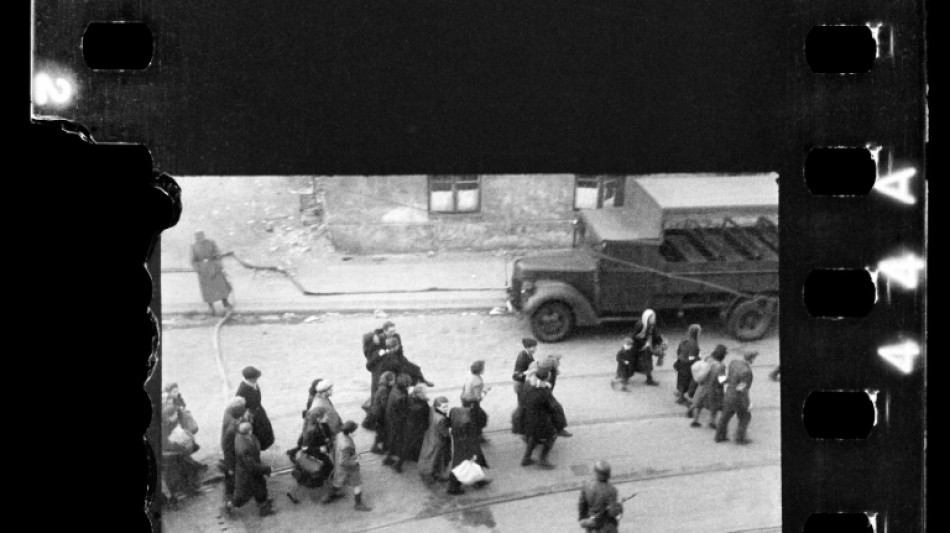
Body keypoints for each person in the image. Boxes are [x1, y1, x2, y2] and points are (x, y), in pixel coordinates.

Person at [520, 366, 567, 469]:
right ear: (546, 378)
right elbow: (551, 407)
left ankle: (526, 458)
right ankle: (543, 459)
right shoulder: (544, 392)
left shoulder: (528, 385)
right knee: (552, 436)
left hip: (528, 417)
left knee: (533, 437)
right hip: (540, 420)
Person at [286, 405, 334, 504]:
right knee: (323, 473)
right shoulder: (312, 431)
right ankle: (327, 495)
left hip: (317, 456)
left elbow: (328, 434)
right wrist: (320, 449)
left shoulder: (322, 425)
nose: (327, 417)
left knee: (309, 476)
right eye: (325, 416)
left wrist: (328, 440)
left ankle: (293, 491)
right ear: (318, 418)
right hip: (314, 457)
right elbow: (305, 448)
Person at [225, 422, 275, 517]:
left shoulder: (242, 437)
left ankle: (263, 507)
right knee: (242, 496)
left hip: (250, 473)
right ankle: (229, 505)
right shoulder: (244, 448)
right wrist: (267, 469)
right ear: (249, 431)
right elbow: (252, 466)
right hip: (247, 475)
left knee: (261, 488)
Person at [323, 421, 373, 511]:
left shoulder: (340, 435)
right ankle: (358, 504)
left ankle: (328, 497)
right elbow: (344, 461)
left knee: (338, 482)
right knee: (357, 485)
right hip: (349, 468)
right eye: (355, 430)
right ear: (351, 432)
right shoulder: (347, 445)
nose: (357, 432)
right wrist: (356, 460)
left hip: (339, 467)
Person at [161, 404, 202, 506]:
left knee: (183, 470)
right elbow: (166, 443)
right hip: (169, 456)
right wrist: (180, 446)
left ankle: (187, 489)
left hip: (175, 453)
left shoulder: (171, 423)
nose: (176, 414)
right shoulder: (164, 427)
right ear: (169, 416)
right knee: (174, 476)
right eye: (174, 413)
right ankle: (174, 498)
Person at [715, 351, 759, 444]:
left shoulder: (733, 363)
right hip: (737, 398)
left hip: (728, 394)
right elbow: (742, 389)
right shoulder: (746, 372)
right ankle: (740, 438)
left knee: (725, 416)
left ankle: (719, 436)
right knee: (745, 417)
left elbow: (730, 377)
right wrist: (748, 403)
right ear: (751, 359)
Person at [447, 404, 491, 495]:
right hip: (467, 448)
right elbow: (468, 441)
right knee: (461, 467)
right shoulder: (468, 424)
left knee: (468, 464)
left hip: (461, 444)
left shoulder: (458, 412)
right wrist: (471, 454)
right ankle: (453, 487)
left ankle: (478, 480)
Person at [378, 322, 435, 387]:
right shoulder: (381, 339)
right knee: (405, 371)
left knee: (415, 368)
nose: (393, 333)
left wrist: (403, 360)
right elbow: (382, 353)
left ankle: (422, 380)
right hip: (389, 362)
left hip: (399, 358)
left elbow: (400, 349)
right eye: (391, 331)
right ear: (385, 331)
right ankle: (414, 384)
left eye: (394, 331)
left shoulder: (396, 336)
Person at [190, 230, 233, 315]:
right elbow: (192, 260)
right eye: (197, 237)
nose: (199, 238)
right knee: (207, 290)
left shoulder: (211, 243)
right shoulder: (193, 246)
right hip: (203, 270)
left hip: (214, 267)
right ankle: (211, 307)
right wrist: (198, 269)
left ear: (204, 236)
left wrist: (218, 265)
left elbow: (218, 254)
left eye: (200, 236)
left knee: (220, 285)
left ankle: (225, 303)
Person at [235, 367, 275, 450]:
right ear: (250, 378)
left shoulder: (254, 384)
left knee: (266, 429)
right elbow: (239, 407)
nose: (257, 379)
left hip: (258, 411)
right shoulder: (242, 390)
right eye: (255, 377)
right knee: (256, 433)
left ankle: (261, 446)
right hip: (251, 416)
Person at [393, 384, 431, 473]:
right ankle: (399, 464)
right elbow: (426, 417)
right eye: (425, 392)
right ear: (420, 394)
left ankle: (409, 459)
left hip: (409, 425)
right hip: (417, 427)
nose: (426, 393)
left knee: (409, 444)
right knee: (409, 445)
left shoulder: (411, 398)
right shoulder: (423, 405)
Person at [578, 460, 623, 533]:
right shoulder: (611, 490)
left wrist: (582, 519)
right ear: (608, 475)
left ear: (595, 472)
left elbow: (582, 505)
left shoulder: (586, 485)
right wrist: (619, 507)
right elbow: (612, 512)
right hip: (604, 526)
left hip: (590, 523)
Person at [689, 345, 729, 428]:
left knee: (699, 403)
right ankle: (712, 422)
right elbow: (721, 380)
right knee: (715, 406)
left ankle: (695, 420)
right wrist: (728, 380)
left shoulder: (708, 359)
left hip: (703, 386)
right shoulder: (720, 366)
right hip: (714, 389)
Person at [219, 397, 247, 511]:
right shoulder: (233, 427)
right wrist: (230, 466)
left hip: (230, 449)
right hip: (231, 452)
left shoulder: (228, 412)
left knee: (232, 472)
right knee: (232, 472)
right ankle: (230, 494)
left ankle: (230, 490)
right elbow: (228, 448)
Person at [286, 378, 324, 462]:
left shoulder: (313, 395)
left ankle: (294, 452)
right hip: (314, 423)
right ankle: (298, 457)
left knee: (306, 440)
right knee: (310, 442)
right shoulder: (315, 399)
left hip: (310, 422)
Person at [418, 396, 452, 484]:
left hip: (430, 436)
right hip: (438, 442)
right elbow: (445, 433)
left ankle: (433, 473)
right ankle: (434, 475)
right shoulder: (441, 419)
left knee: (430, 456)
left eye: (447, 406)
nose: (446, 409)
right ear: (437, 406)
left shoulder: (432, 409)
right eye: (444, 407)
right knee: (436, 458)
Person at [630, 309, 666, 386]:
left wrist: (661, 341)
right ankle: (624, 377)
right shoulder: (641, 325)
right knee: (635, 363)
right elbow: (634, 337)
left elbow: (656, 335)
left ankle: (649, 378)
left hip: (647, 347)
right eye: (652, 317)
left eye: (653, 317)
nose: (653, 319)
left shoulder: (651, 325)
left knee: (647, 363)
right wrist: (644, 343)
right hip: (640, 347)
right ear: (647, 318)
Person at [383, 373, 412, 467]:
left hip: (392, 418)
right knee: (401, 440)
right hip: (398, 421)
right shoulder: (401, 397)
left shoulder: (395, 389)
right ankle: (398, 463)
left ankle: (389, 458)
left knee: (393, 438)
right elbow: (407, 409)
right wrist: (410, 395)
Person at [461, 360, 491, 443]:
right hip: (472, 403)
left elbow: (464, 387)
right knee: (480, 419)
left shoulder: (470, 376)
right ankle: (476, 437)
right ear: (480, 370)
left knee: (475, 418)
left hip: (465, 400)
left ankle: (476, 436)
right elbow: (478, 398)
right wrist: (485, 391)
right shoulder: (478, 381)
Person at [674, 324, 703, 405]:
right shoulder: (694, 344)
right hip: (686, 365)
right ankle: (681, 398)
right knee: (685, 381)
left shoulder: (684, 340)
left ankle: (679, 393)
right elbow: (691, 358)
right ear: (696, 333)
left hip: (680, 362)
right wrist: (699, 358)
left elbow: (678, 351)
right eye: (699, 332)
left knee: (680, 380)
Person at [370, 371, 396, 455]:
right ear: (388, 380)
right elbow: (384, 404)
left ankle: (381, 446)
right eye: (392, 380)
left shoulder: (381, 386)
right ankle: (375, 447)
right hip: (380, 414)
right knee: (381, 431)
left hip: (376, 412)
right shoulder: (384, 389)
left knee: (381, 431)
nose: (394, 381)